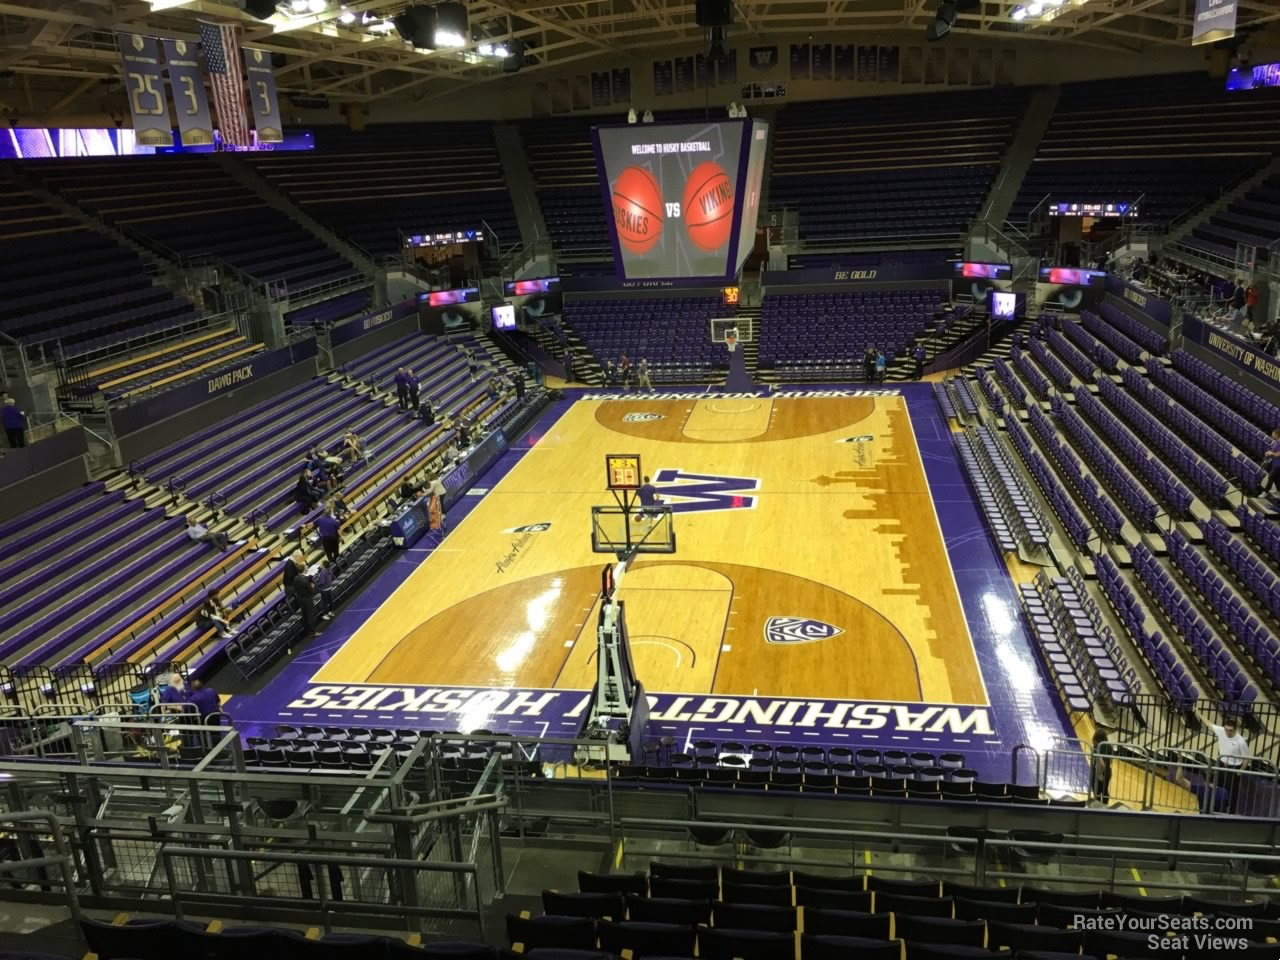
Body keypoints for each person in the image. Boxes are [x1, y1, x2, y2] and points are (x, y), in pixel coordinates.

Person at [1211, 718, 1251, 813]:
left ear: (1235, 729)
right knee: (1216, 786)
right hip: (1221, 765)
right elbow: (1209, 724)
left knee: (1232, 792)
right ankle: (1216, 808)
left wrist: (1239, 772)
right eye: (1226, 730)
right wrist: (1198, 712)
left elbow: (1247, 758)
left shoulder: (1241, 742)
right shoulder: (1221, 731)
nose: (1228, 732)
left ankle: (1231, 812)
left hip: (1233, 768)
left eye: (1230, 730)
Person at [1090, 729, 1113, 805]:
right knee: (1105, 791)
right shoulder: (1109, 746)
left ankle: (1098, 806)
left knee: (1096, 791)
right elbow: (1110, 761)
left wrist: (1099, 773)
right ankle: (1105, 806)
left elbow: (1102, 763)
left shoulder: (1097, 747)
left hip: (1099, 772)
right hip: (1107, 772)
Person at [1263, 427, 1280, 498]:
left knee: (1271, 477)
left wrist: (1271, 453)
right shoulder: (1277, 442)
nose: (1272, 435)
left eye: (1273, 434)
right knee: (1276, 478)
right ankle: (1279, 490)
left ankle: (1265, 492)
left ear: (1277, 434)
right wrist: (1270, 452)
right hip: (1274, 463)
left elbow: (1278, 454)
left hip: (1278, 465)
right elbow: (1274, 451)